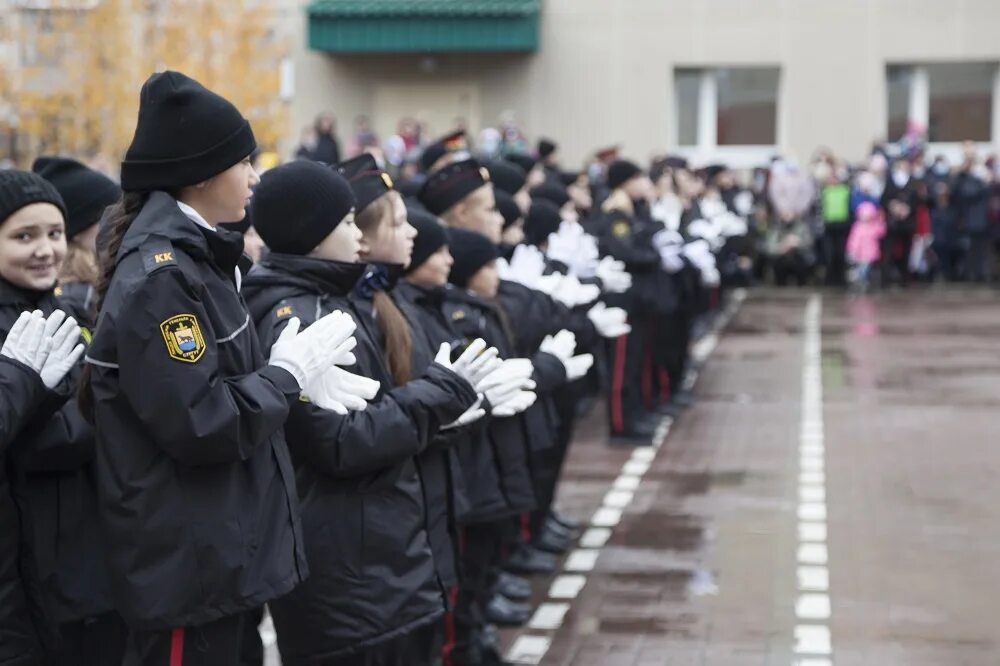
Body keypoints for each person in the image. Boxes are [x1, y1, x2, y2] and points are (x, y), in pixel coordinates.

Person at [79, 71, 360, 665]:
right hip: (189, 565)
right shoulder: (162, 278)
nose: (255, 177)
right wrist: (286, 375)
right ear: (202, 173)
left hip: (219, 552)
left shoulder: (198, 258)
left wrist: (295, 377)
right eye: (244, 162)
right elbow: (201, 420)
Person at [243, 158, 491, 666]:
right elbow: (339, 442)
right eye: (347, 223)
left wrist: (445, 408)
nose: (358, 235)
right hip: (353, 577)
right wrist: (442, 394)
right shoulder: (304, 316)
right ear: (315, 236)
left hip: (373, 565)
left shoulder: (327, 299)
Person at [0, 170, 100, 665]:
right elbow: (41, 440)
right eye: (24, 236)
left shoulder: (63, 312)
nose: (45, 249)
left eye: (54, 233)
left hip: (77, 559)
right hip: (32, 565)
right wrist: (112, 414)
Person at [32, 156, 121, 323]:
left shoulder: (97, 280)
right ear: (77, 229)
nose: (117, 223)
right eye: (107, 216)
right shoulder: (78, 299)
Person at [846, 201, 886, 292]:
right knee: (861, 269)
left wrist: (880, 221)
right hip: (859, 253)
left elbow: (881, 232)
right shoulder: (857, 226)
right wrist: (851, 250)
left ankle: (864, 282)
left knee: (866, 269)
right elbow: (853, 240)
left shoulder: (874, 226)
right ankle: (862, 282)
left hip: (870, 253)